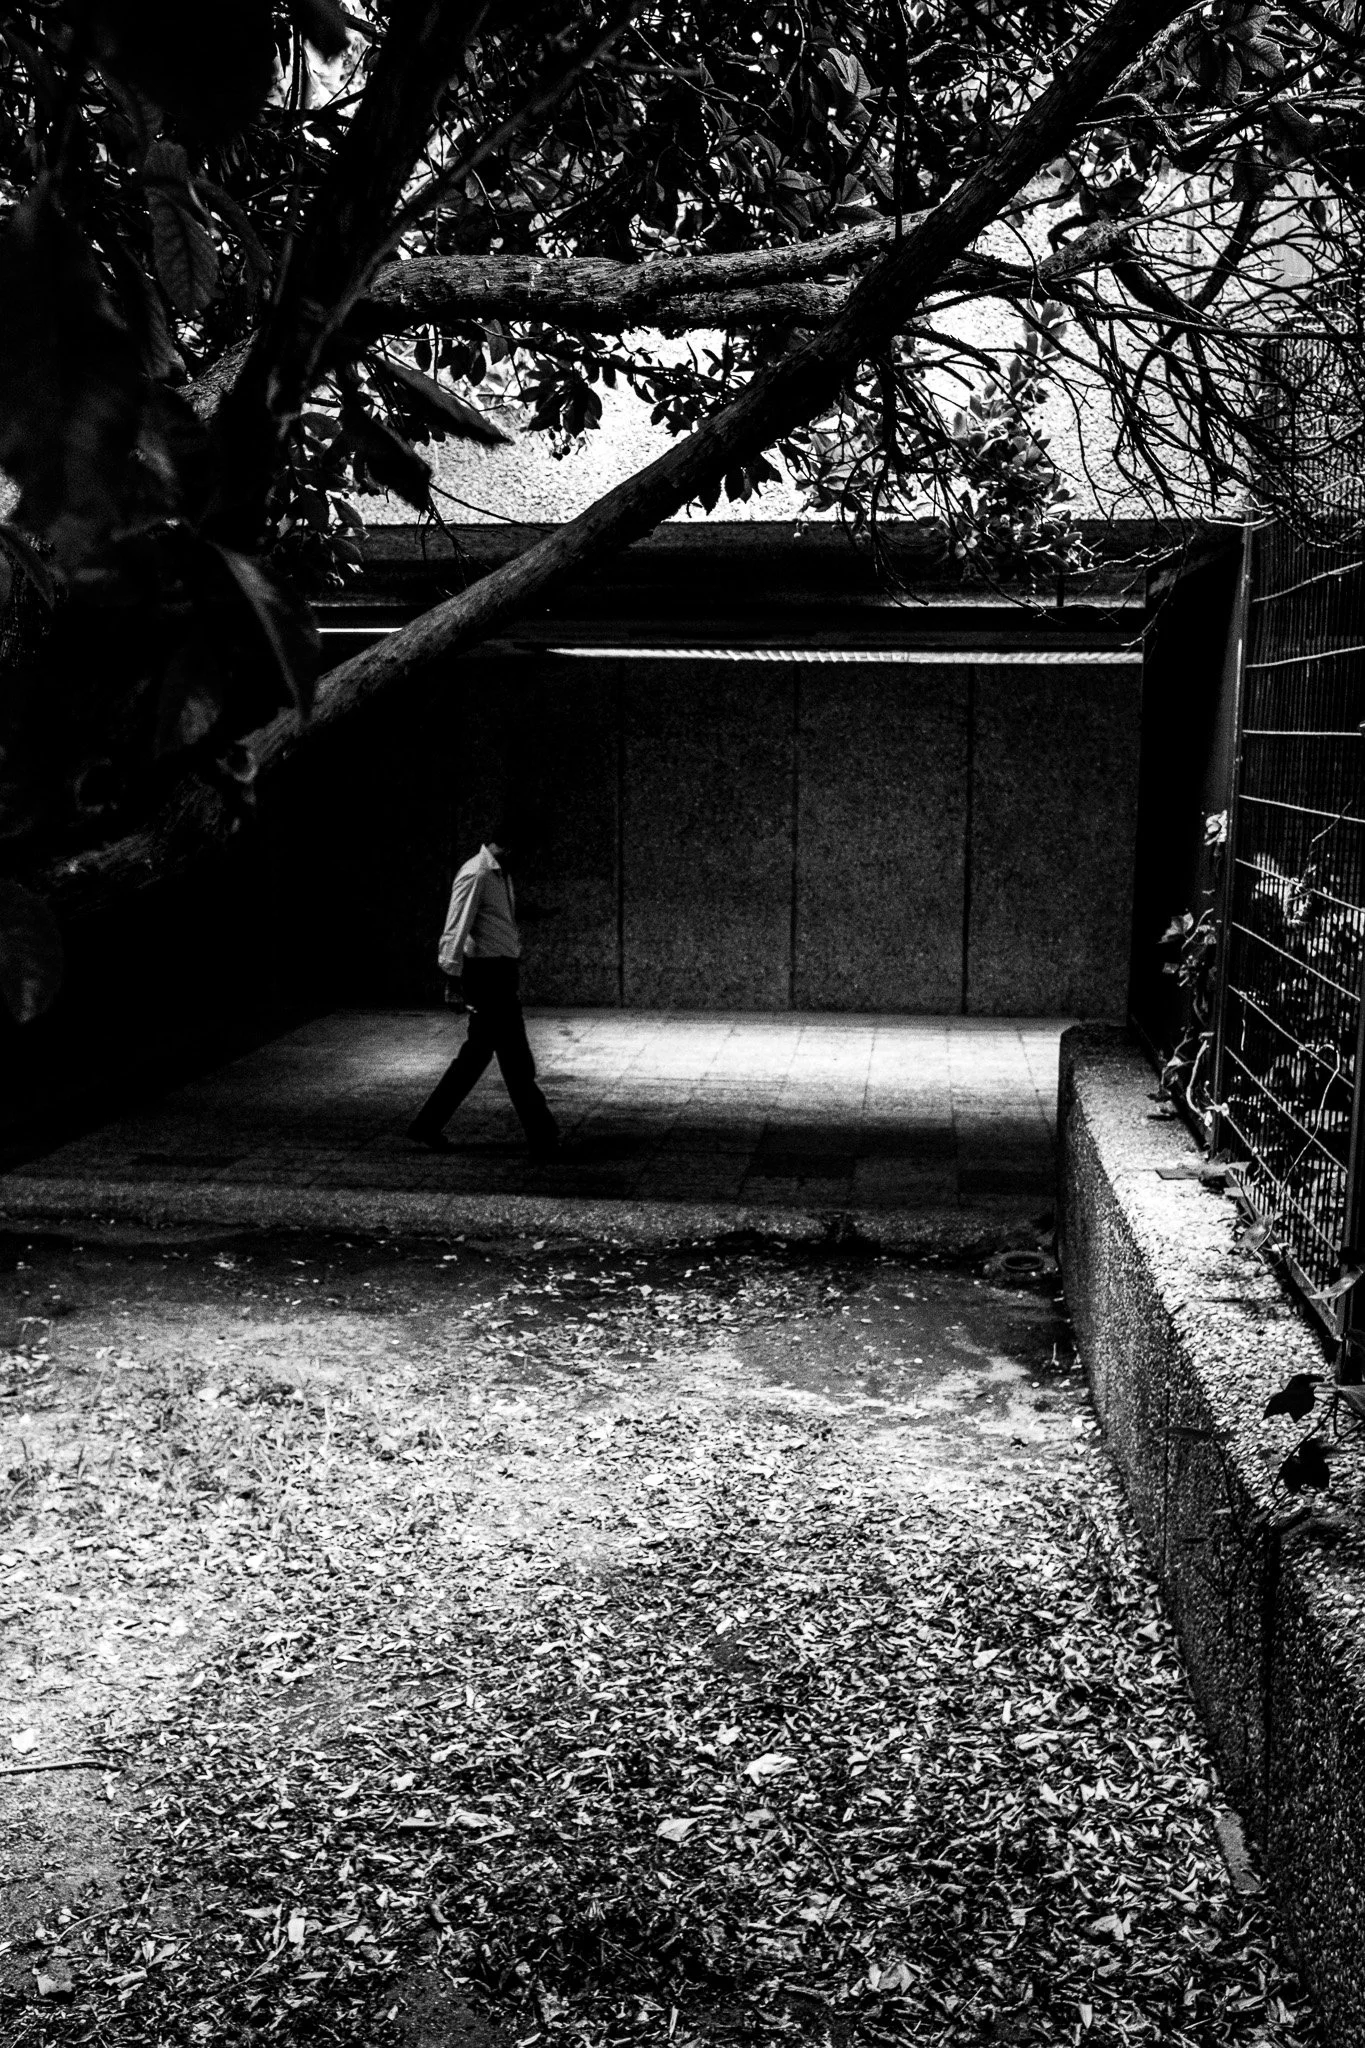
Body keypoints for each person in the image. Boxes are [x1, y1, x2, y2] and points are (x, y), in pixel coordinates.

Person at [407, 839, 560, 1158]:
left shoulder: (501, 875)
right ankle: (541, 1132)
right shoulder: (476, 874)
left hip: (500, 973)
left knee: (478, 1056)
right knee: (514, 1057)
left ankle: (427, 1125)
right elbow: (456, 927)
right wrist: (452, 982)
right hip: (488, 977)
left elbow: (498, 921)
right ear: (508, 844)